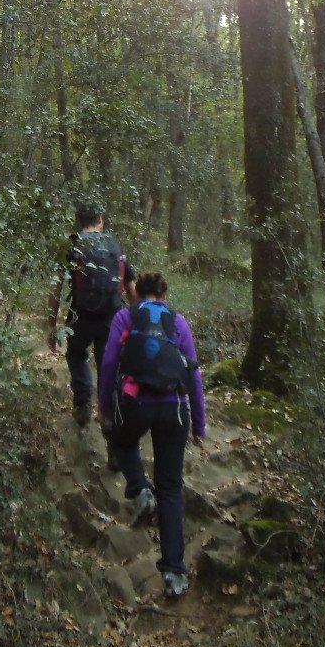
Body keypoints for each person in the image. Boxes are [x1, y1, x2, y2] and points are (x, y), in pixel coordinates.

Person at [98, 271, 205, 600]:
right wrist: (199, 424)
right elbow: (194, 374)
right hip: (174, 409)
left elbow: (108, 364)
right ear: (163, 295)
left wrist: (104, 409)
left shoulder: (124, 316)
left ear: (137, 294)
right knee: (171, 488)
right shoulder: (178, 322)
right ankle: (174, 574)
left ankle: (141, 490)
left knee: (121, 440)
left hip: (136, 404)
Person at [47, 200, 135, 427]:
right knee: (109, 364)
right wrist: (137, 321)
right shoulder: (114, 245)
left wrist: (51, 325)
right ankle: (109, 419)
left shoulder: (73, 245)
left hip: (81, 316)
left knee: (76, 354)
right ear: (100, 220)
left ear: (78, 222)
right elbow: (131, 287)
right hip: (112, 318)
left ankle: (83, 403)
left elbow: (55, 289)